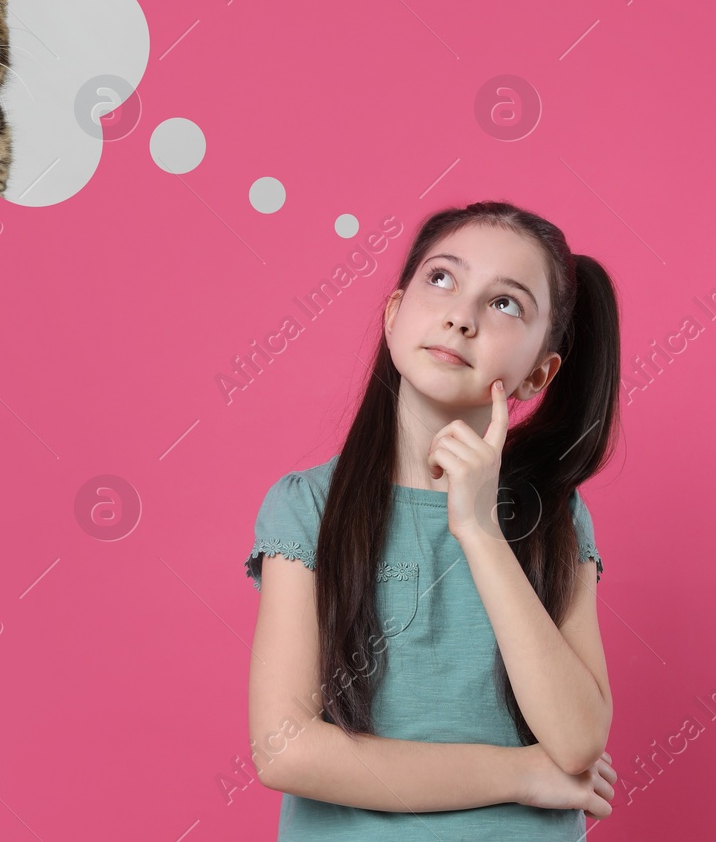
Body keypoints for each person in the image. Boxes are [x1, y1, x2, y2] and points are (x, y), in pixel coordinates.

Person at [244, 200, 623, 840]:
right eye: (441, 278)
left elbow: (579, 737)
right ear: (394, 316)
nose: (461, 316)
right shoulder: (308, 507)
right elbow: (286, 749)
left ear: (540, 372)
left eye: (506, 303)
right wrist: (521, 774)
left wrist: (479, 528)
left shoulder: (552, 518)